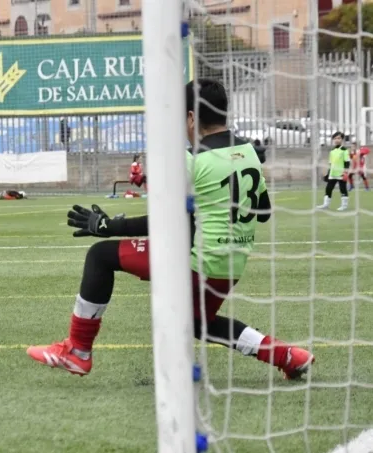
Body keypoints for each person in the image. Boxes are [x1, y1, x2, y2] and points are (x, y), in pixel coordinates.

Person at [26, 78, 314, 379]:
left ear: (190, 116)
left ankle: (78, 351)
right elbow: (263, 212)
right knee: (199, 323)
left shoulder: (191, 159)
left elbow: (166, 220)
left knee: (100, 256)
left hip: (198, 262)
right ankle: (287, 355)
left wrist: (107, 225)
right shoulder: (248, 152)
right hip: (232, 263)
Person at [317, 132, 350, 211]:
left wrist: (345, 173)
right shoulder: (332, 151)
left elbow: (347, 162)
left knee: (343, 189)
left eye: (338, 138)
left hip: (341, 173)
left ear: (342, 139)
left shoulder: (344, 150)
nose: (337, 140)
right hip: (332, 173)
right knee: (328, 188)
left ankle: (344, 205)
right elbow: (331, 163)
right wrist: (328, 174)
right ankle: (326, 204)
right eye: (335, 138)